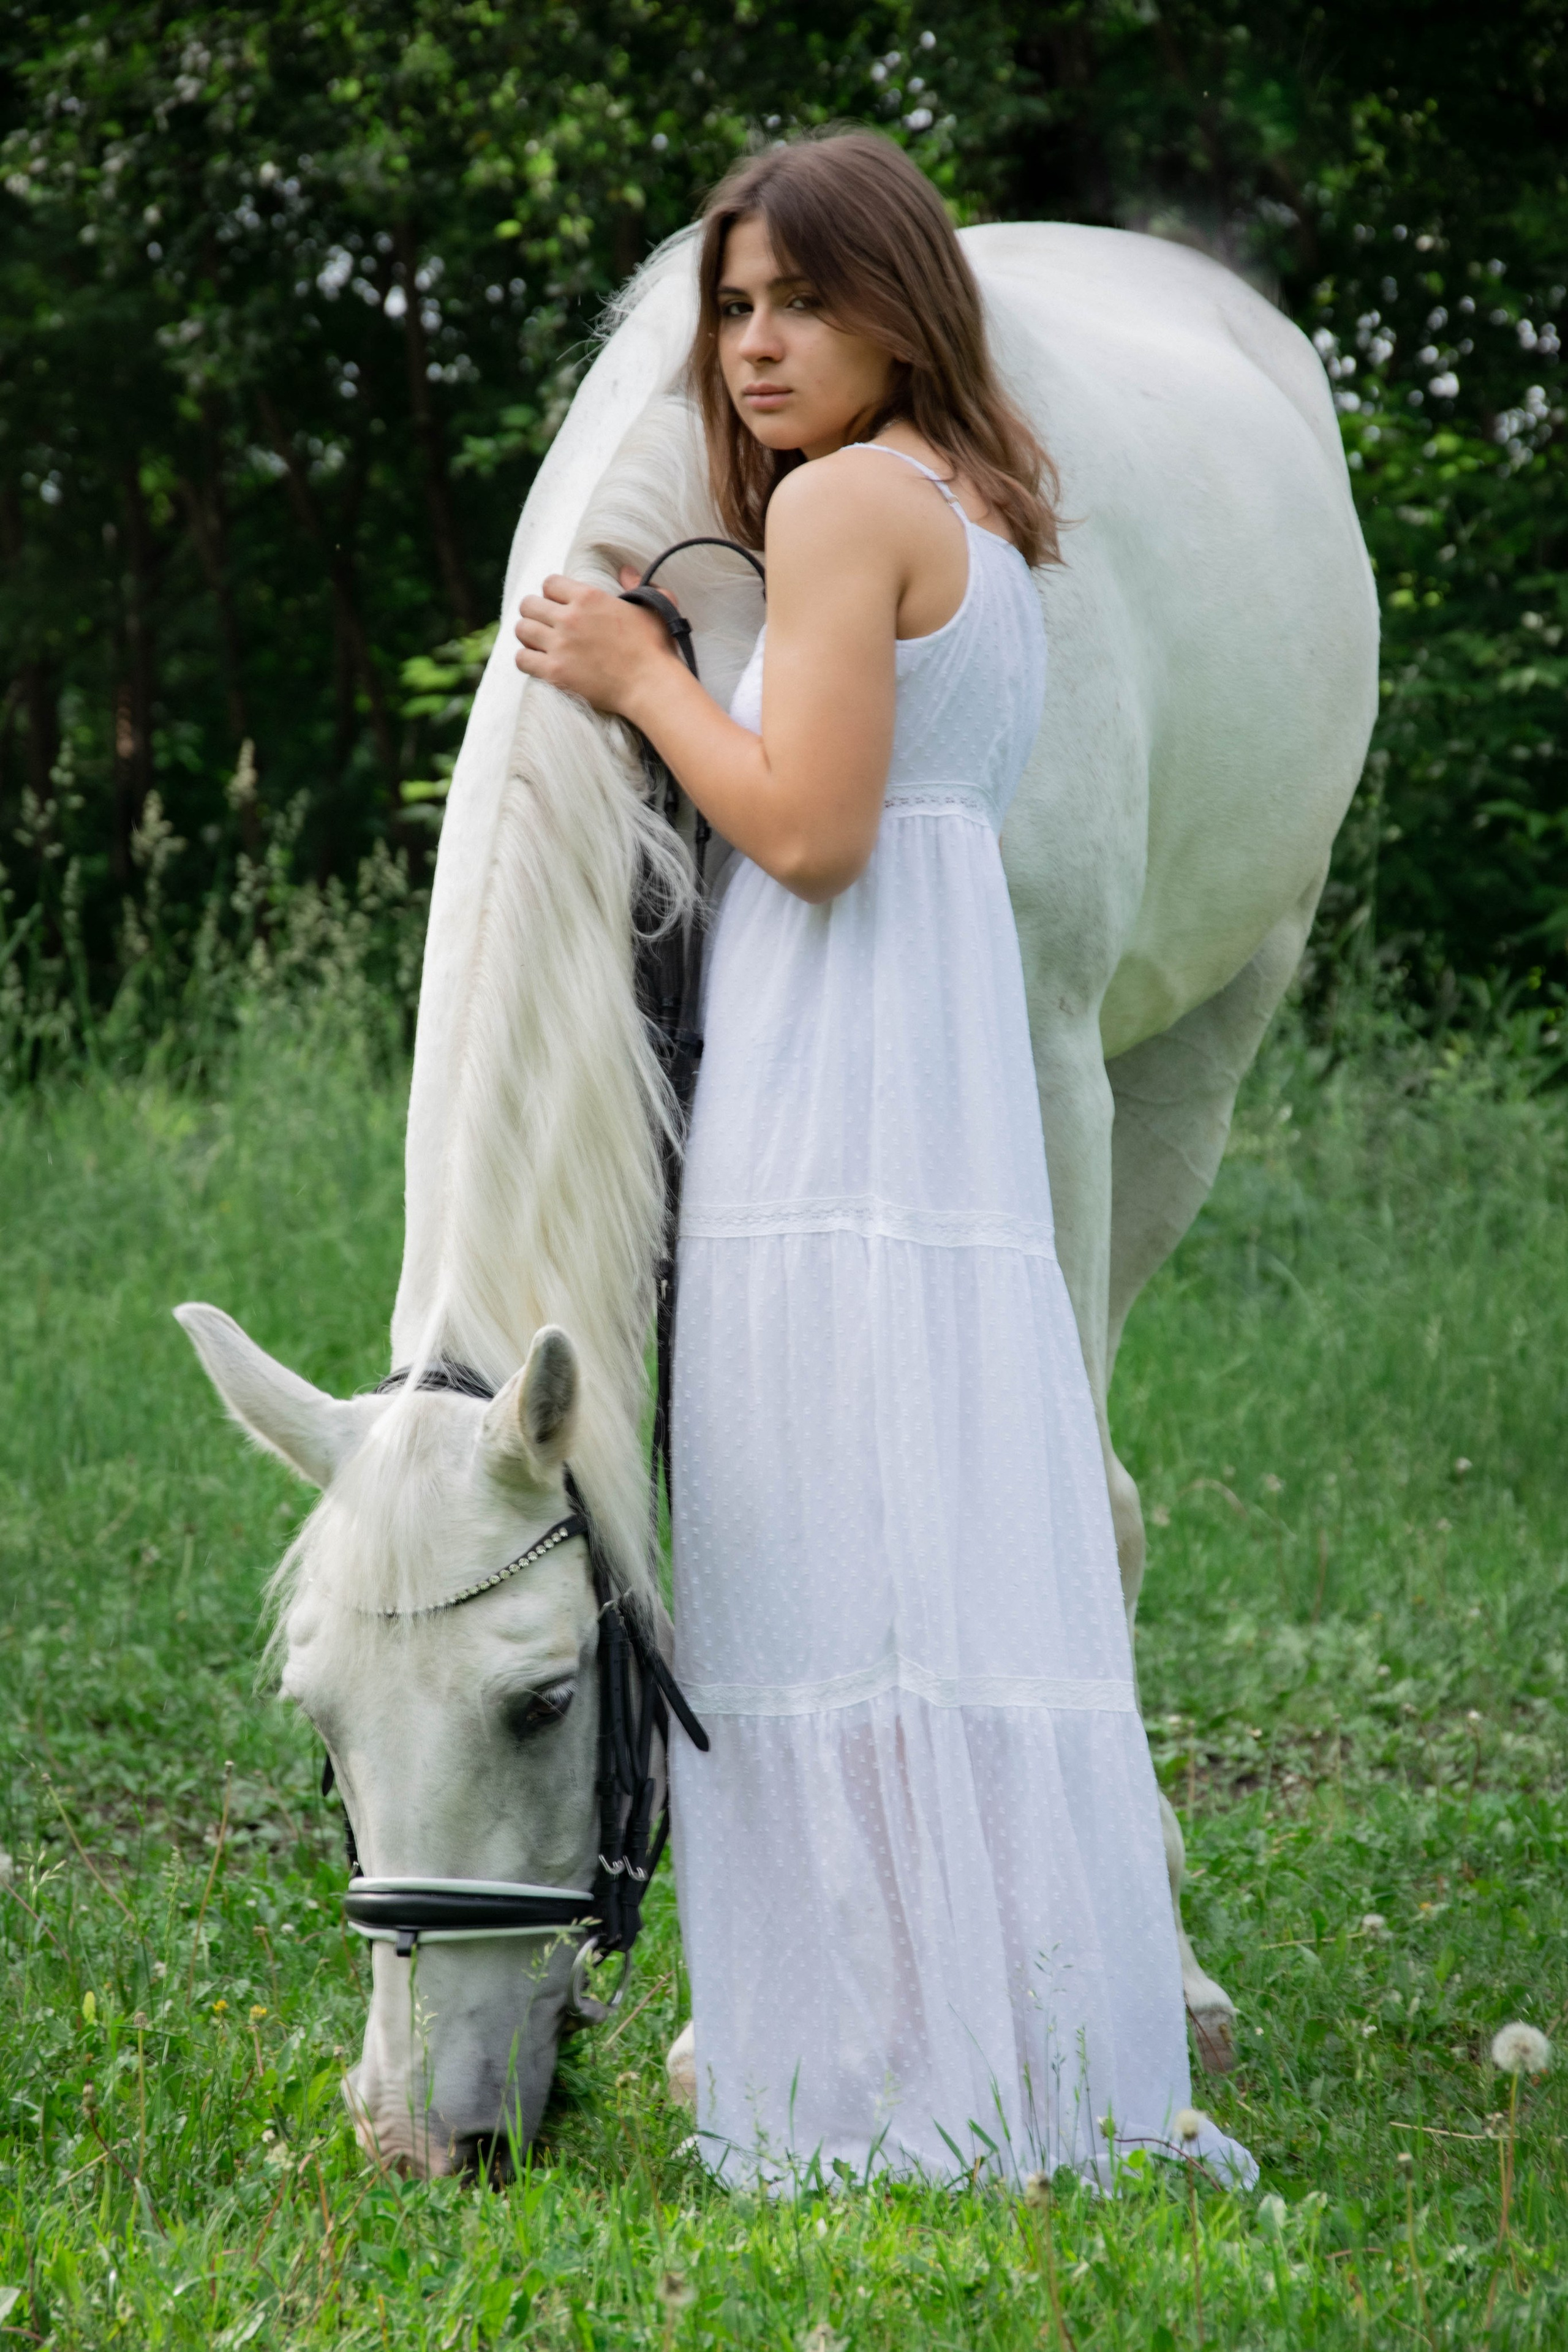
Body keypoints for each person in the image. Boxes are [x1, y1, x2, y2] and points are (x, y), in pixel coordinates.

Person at [514, 127, 1251, 2191]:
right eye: (735, 308)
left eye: (804, 303)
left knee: (818, 1533)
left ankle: (868, 2061)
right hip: (931, 1069)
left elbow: (814, 831)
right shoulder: (978, 508)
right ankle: (994, 2029)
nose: (756, 345)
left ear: (903, 310)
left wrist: (641, 674)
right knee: (927, 1536)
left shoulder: (840, 508)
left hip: (836, 1075)